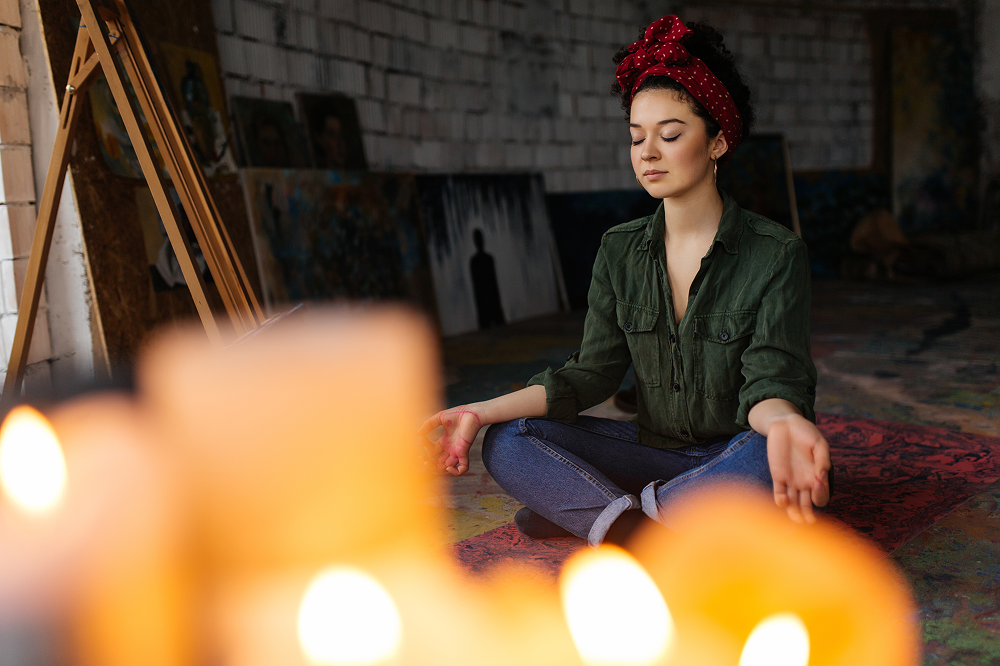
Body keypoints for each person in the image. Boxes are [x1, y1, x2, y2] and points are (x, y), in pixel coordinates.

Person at [419, 15, 832, 548]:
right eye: (637, 138)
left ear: (718, 142)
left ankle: (605, 515)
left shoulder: (775, 253)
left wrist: (783, 425)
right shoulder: (619, 249)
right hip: (648, 451)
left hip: (733, 454)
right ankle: (654, 524)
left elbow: (771, 382)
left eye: (671, 134)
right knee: (507, 440)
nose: (648, 153)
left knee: (764, 457)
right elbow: (589, 376)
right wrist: (475, 412)